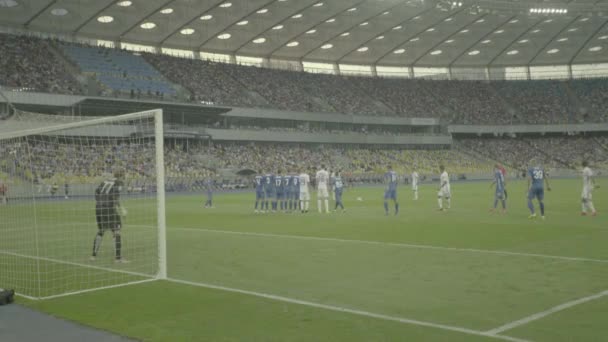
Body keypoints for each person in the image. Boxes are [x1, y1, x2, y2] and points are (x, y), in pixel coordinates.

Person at [91, 170, 128, 263]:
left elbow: (96, 193)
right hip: (109, 208)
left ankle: (93, 256)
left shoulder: (105, 181)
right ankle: (118, 258)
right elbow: (114, 196)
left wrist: (100, 202)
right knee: (117, 231)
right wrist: (121, 208)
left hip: (98, 208)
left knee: (101, 230)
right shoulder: (119, 183)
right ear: (122, 176)